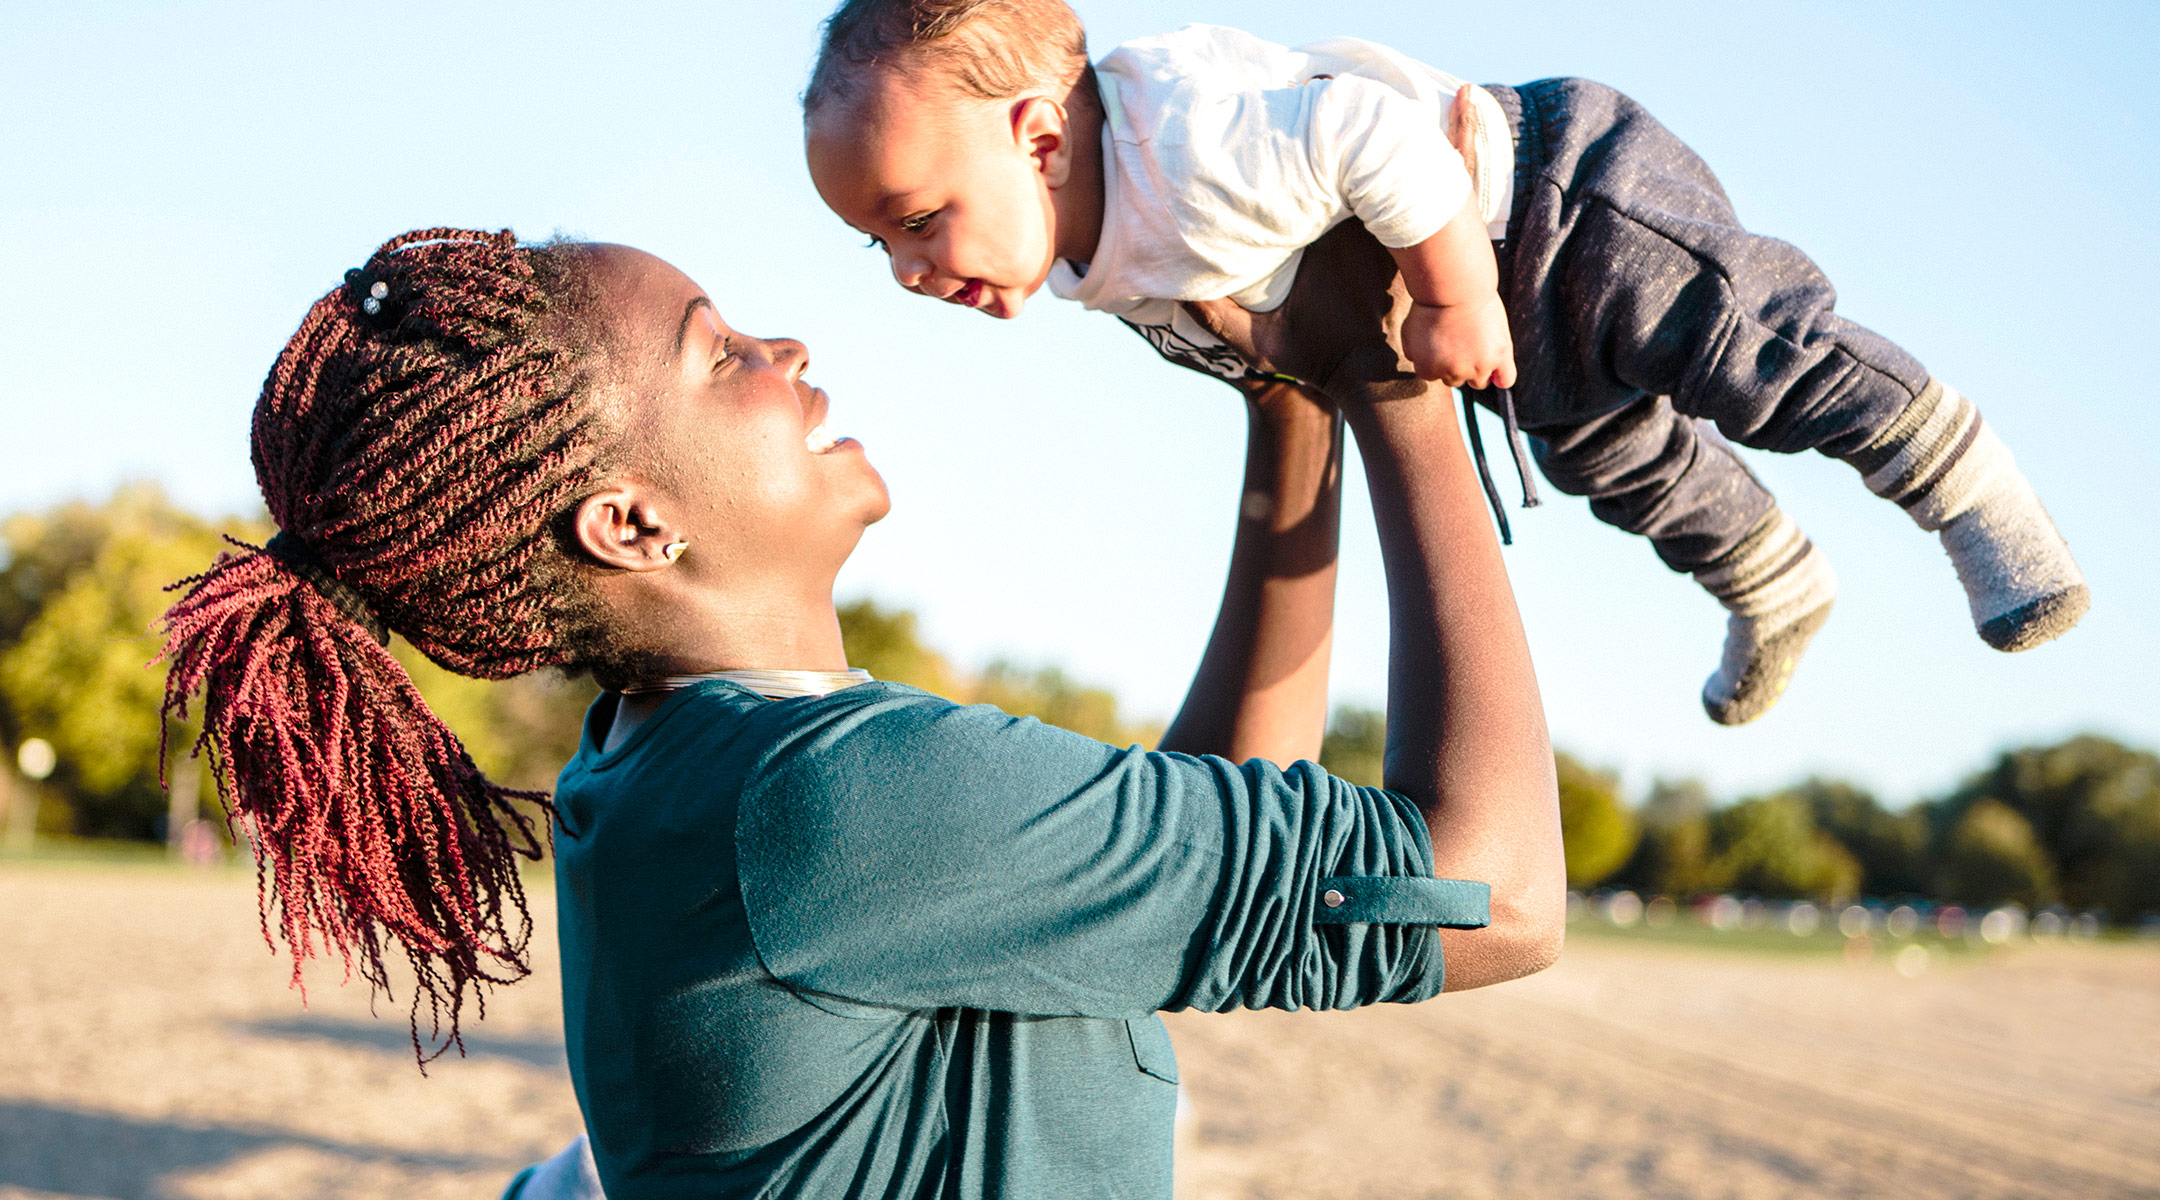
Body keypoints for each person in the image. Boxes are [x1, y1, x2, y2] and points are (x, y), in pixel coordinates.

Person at [159, 222, 1563, 1198]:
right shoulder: (822, 801)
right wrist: (1406, 393)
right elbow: (1492, 895)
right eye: (721, 356)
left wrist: (1288, 405)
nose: (785, 346)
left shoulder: (676, 766)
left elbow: (1203, 831)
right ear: (633, 523)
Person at [801, 0, 2090, 727]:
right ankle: (1775, 584)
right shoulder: (1085, 261)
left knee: (1744, 350)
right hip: (1469, 298)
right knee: (1612, 460)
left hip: (1548, 194)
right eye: (876, 248)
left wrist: (1455, 291)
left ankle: (1968, 488)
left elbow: (1365, 132)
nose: (912, 270)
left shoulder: (1181, 148)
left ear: (1037, 140)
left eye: (917, 219)